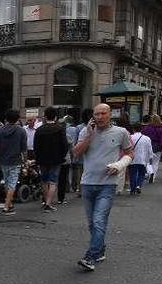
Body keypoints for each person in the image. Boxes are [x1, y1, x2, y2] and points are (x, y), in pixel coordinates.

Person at [72, 103, 133, 271]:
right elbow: (76, 152)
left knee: (99, 221)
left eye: (103, 114)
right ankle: (100, 250)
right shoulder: (86, 131)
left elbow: (129, 153)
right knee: (92, 224)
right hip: (87, 183)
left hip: (107, 184)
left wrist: (120, 165)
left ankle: (90, 257)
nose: (99, 117)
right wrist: (89, 136)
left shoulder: (121, 132)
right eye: (96, 114)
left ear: (109, 115)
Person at [33, 106, 70, 212]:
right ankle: (48, 203)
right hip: (56, 159)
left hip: (42, 159)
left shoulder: (39, 130)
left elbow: (36, 146)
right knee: (53, 181)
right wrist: (62, 156)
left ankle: (45, 201)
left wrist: (37, 157)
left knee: (44, 180)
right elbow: (64, 145)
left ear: (45, 116)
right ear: (55, 117)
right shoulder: (59, 129)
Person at [0, 109, 27, 215]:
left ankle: (10, 204)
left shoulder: (0, 130)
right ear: (17, 118)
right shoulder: (21, 131)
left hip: (3, 159)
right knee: (12, 183)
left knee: (7, 182)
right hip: (15, 160)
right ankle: (6, 206)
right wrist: (25, 161)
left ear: (6, 118)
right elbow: (23, 148)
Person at [141, 114, 162, 185]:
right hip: (157, 147)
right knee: (155, 163)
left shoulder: (147, 128)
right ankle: (153, 176)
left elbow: (143, 136)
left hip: (148, 146)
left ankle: (148, 173)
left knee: (147, 162)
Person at [129, 123, 153, 195]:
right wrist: (150, 158)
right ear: (141, 129)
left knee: (132, 174)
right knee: (141, 174)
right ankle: (138, 185)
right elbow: (150, 149)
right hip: (143, 159)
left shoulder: (130, 137)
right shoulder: (147, 138)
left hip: (132, 159)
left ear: (133, 129)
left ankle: (132, 189)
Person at [58, 116, 77, 204]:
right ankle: (61, 198)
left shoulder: (54, 135)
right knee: (63, 178)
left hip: (55, 160)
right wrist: (73, 157)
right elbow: (72, 149)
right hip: (65, 160)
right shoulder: (67, 136)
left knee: (53, 179)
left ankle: (46, 198)